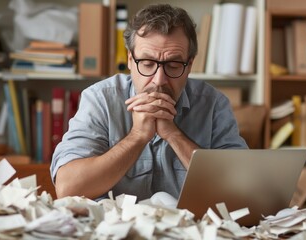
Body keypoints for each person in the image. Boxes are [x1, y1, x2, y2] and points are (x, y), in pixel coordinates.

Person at [51, 3, 248, 201]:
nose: (159, 80)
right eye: (147, 64)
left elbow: (242, 190)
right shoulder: (101, 99)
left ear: (189, 65)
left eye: (173, 65)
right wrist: (137, 136)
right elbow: (68, 188)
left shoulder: (214, 104)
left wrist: (173, 134)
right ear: (130, 60)